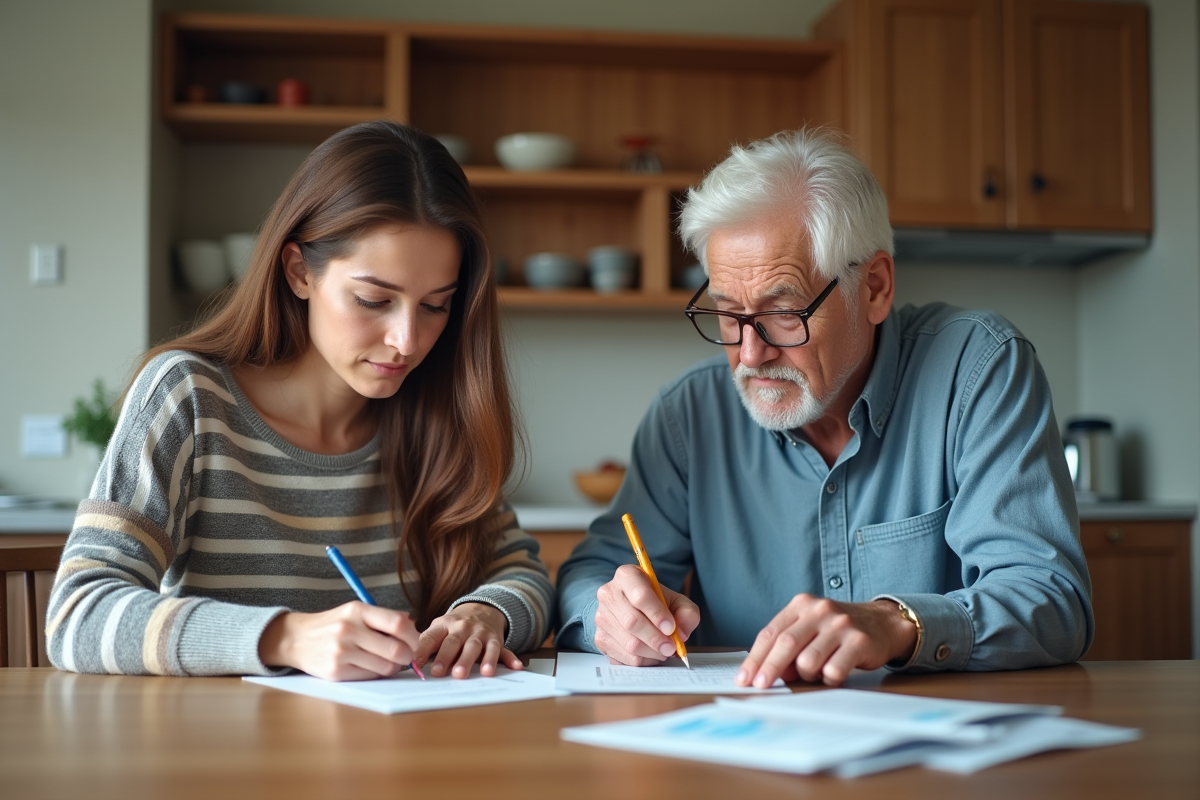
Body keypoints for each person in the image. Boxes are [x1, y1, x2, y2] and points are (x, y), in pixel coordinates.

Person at [555, 129, 1093, 687]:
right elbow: (589, 574)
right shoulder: (688, 415)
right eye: (728, 313)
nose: (750, 353)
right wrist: (610, 614)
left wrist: (897, 623)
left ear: (875, 287)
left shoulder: (979, 370)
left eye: (784, 311)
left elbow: (1052, 601)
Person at [47, 121, 552, 681]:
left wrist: (485, 613)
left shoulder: (438, 415)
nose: (407, 341)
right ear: (298, 272)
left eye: (435, 306)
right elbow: (78, 616)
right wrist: (285, 637)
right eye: (373, 299)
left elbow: (521, 571)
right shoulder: (189, 397)